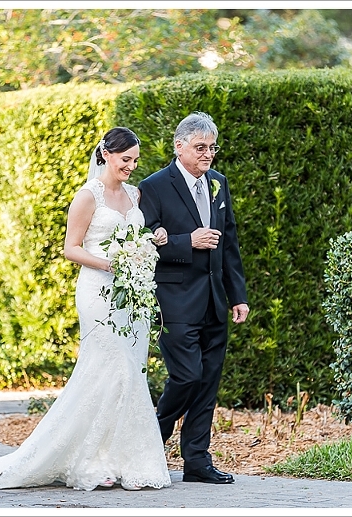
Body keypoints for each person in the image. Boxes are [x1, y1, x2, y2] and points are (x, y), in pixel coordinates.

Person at [0, 127, 171, 492]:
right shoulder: (87, 196)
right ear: (107, 155)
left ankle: (120, 457)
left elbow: (136, 237)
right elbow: (71, 248)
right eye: (125, 159)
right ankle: (90, 459)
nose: (131, 166)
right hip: (99, 291)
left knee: (130, 370)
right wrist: (109, 263)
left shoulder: (135, 193)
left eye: (134, 160)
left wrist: (150, 241)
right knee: (110, 366)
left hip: (132, 296)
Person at [138, 111, 249, 485]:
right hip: (176, 301)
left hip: (216, 300)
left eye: (212, 148)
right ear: (179, 146)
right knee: (187, 377)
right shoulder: (153, 187)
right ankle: (153, 437)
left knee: (208, 383)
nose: (208, 155)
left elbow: (229, 243)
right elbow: (144, 243)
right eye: (200, 147)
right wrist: (189, 241)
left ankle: (197, 461)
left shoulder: (219, 183)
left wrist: (238, 296)